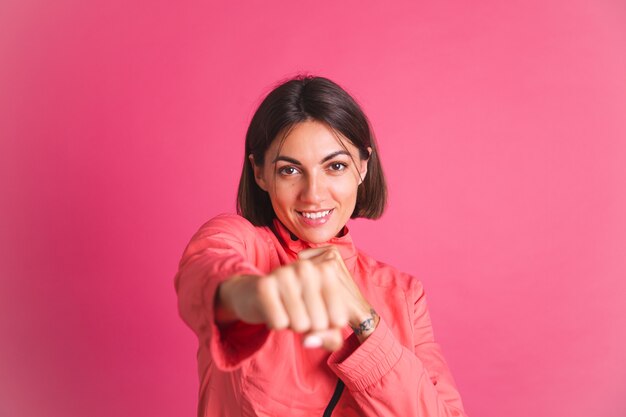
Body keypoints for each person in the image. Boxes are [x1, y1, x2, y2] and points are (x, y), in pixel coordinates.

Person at [175, 76, 467, 417]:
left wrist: (364, 319)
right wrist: (257, 296)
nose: (313, 194)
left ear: (362, 166)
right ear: (259, 173)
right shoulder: (242, 243)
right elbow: (207, 272)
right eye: (289, 170)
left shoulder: (404, 294)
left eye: (336, 166)